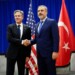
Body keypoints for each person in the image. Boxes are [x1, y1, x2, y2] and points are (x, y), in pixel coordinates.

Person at [24, 5, 59, 75]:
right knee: (42, 72)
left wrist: (55, 51)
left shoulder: (52, 22)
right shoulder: (37, 25)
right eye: (38, 11)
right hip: (39, 54)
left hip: (49, 54)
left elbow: (56, 38)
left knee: (51, 72)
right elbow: (37, 39)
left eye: (42, 10)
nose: (40, 12)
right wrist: (29, 42)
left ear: (46, 12)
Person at [6, 10, 31, 75]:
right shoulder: (10, 27)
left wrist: (28, 55)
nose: (17, 17)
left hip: (22, 54)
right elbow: (10, 39)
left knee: (21, 72)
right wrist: (22, 41)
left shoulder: (27, 28)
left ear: (22, 17)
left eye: (19, 16)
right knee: (9, 72)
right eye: (15, 16)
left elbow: (28, 42)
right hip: (11, 53)